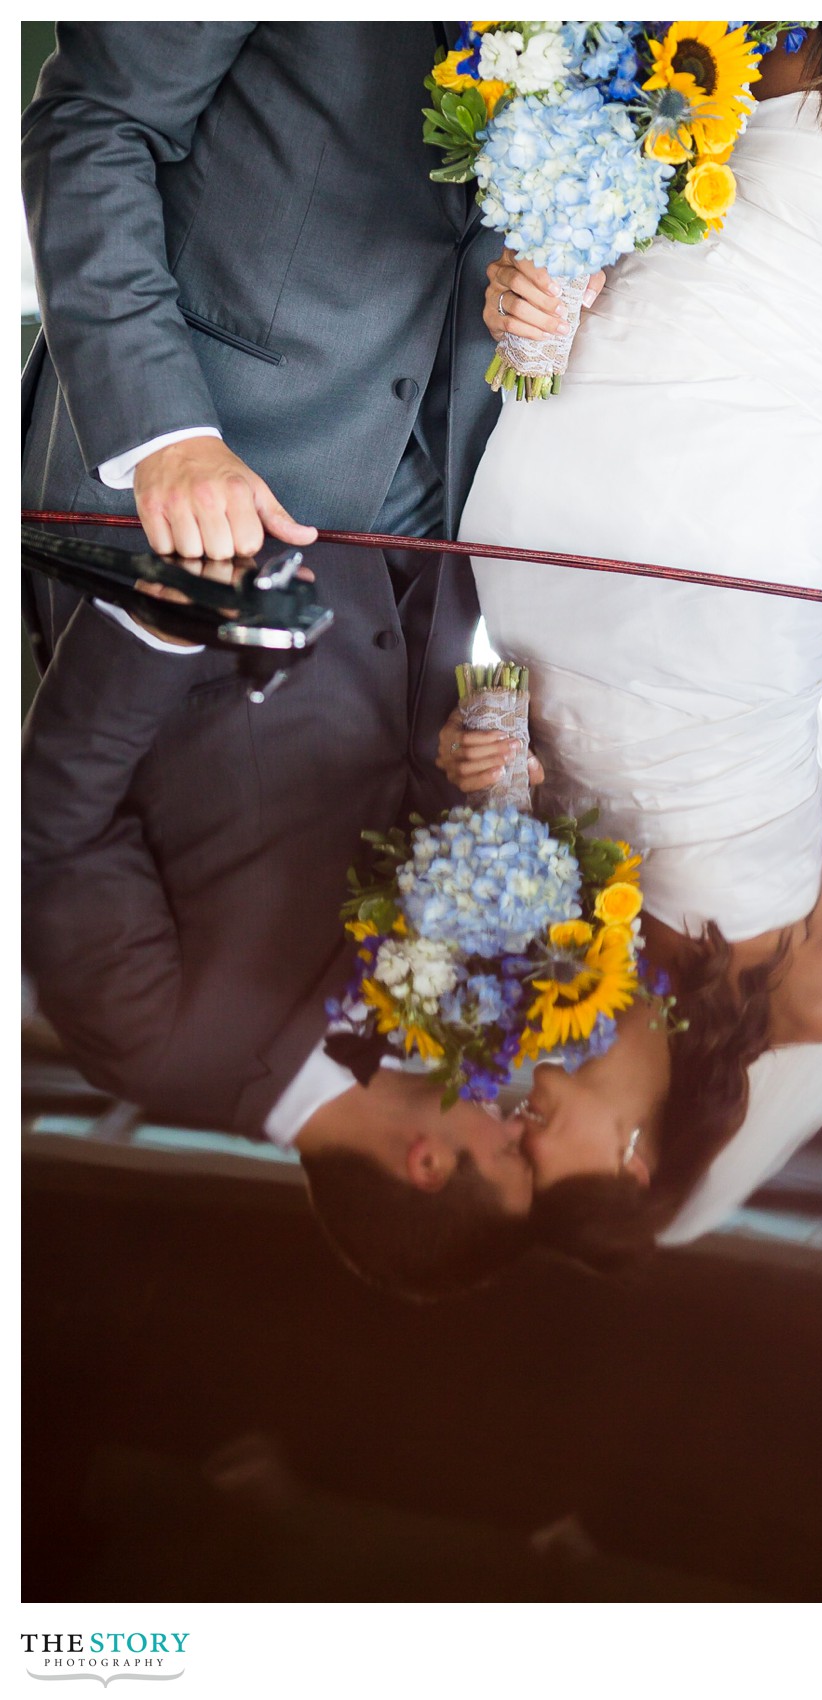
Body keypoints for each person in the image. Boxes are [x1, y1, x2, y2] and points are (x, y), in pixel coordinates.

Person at [450, 22, 822, 1263]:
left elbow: (503, 701)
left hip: (537, 501)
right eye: (538, 1133)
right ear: (637, 1156)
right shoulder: (808, 992)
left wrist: (476, 741)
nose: (522, 1098)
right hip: (737, 535)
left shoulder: (548, 959)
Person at [21, 22, 527, 1297]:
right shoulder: (461, 1005)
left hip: (185, 496)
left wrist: (171, 584)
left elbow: (52, 828)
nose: (523, 1107)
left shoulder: (156, 1049)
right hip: (432, 513)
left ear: (426, 1163)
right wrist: (478, 751)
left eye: (508, 1147)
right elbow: (415, 704)